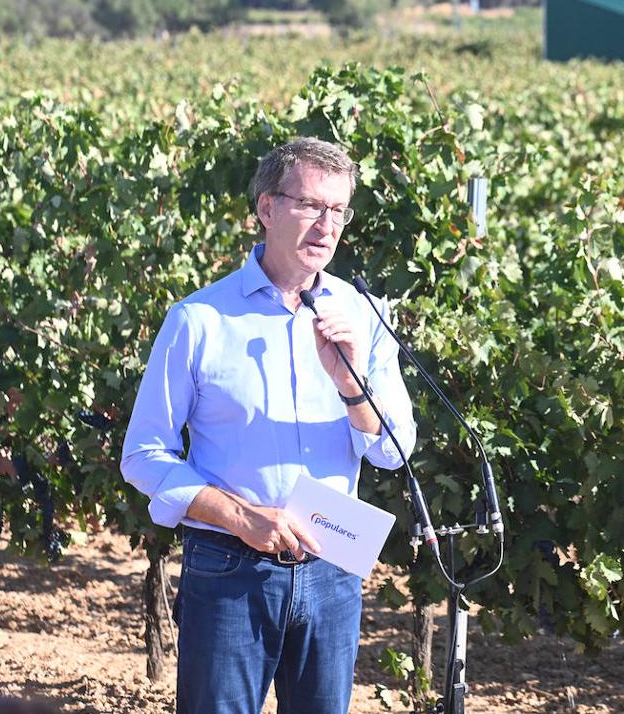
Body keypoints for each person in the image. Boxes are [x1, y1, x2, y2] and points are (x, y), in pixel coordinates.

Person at [121, 137, 416, 714]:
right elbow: (143, 454)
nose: (326, 225)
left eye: (338, 210)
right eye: (309, 205)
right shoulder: (200, 320)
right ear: (267, 209)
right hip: (229, 565)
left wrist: (352, 385)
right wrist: (238, 516)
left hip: (332, 564)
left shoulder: (364, 314)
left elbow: (394, 452)